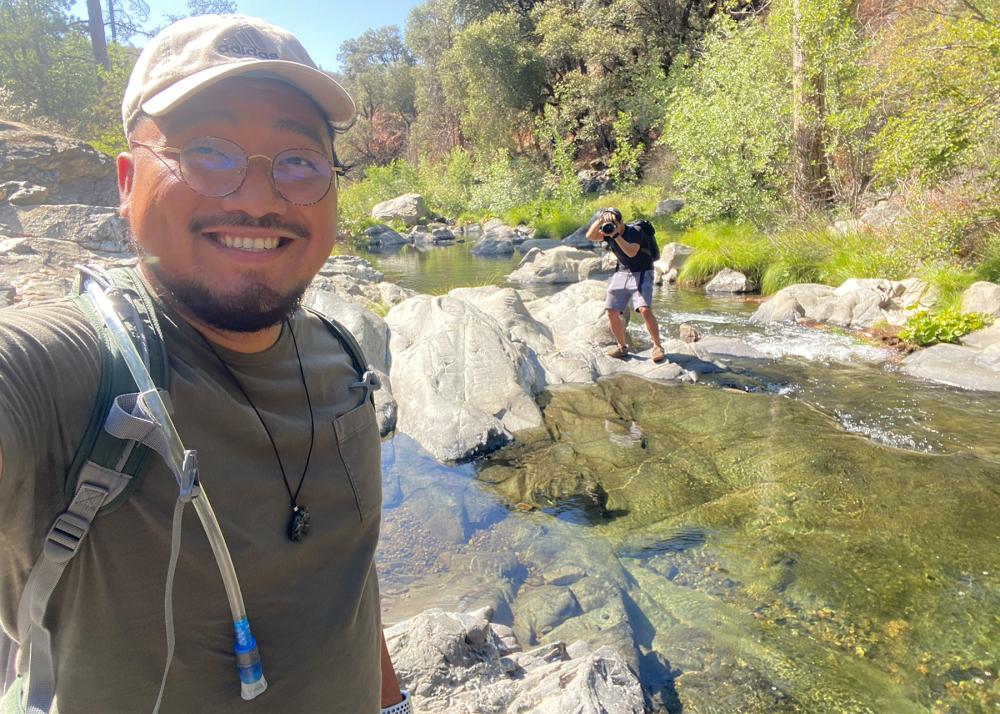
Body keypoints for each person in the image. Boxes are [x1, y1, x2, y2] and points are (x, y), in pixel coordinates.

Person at [0, 14, 410, 714]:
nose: (257, 198)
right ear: (127, 181)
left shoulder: (340, 358)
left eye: (298, 161)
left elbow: (349, 585)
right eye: (207, 151)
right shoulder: (59, 373)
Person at [586, 208, 666, 362]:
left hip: (642, 271)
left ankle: (657, 346)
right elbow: (590, 236)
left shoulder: (635, 231)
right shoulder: (607, 231)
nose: (611, 226)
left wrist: (615, 235)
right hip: (622, 272)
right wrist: (601, 221)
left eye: (614, 223)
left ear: (621, 222)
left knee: (644, 310)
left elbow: (631, 252)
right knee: (611, 311)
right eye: (609, 223)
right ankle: (622, 347)